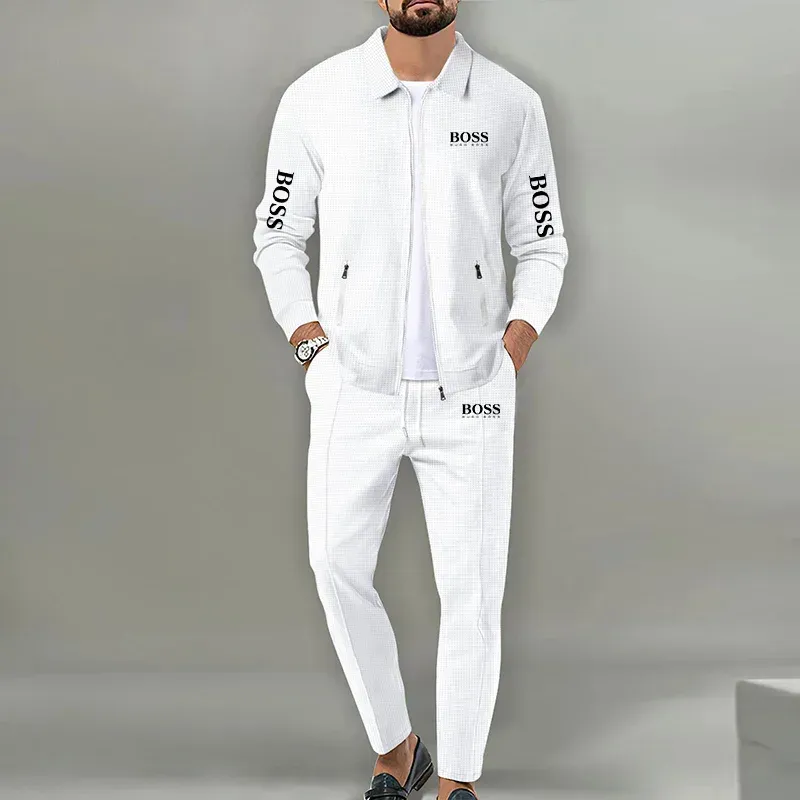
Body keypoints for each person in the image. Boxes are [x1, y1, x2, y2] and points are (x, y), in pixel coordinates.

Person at [253, 1, 568, 797]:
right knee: (335, 565)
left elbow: (542, 242)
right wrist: (311, 345)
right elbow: (279, 235)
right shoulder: (317, 98)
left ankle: (458, 779)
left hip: (473, 391)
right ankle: (397, 746)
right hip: (354, 386)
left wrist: (514, 346)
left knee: (473, 593)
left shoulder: (509, 104)